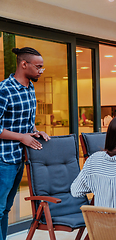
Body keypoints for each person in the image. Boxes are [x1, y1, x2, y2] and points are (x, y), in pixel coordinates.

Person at [0, 47, 50, 240]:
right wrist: (22, 137)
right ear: (24, 64)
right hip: (4, 160)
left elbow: (25, 124)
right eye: (38, 67)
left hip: (21, 158)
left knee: (5, 209)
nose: (40, 71)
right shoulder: (4, 90)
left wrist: (35, 132)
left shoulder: (30, 87)